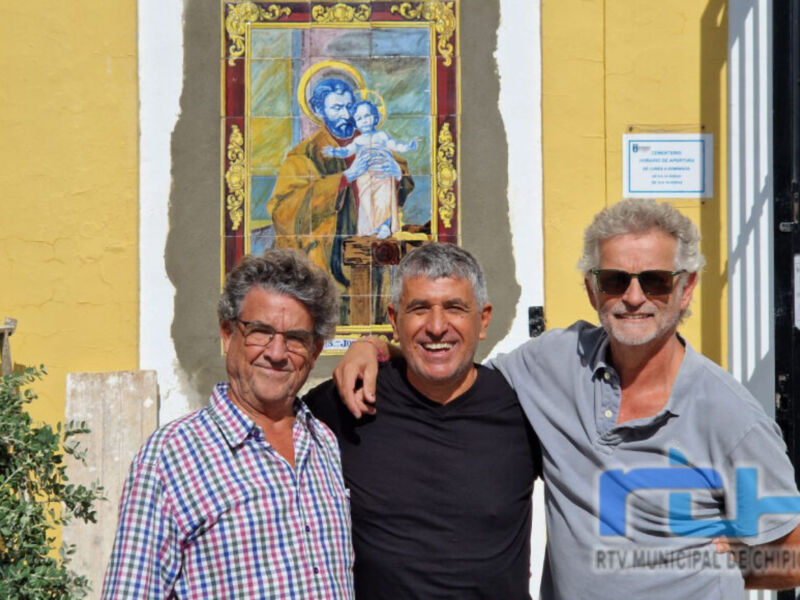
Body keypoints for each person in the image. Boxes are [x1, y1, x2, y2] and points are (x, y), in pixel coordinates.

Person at [336, 199, 800, 598]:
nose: (634, 297)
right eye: (615, 280)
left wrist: (700, 563)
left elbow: (791, 555)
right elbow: (452, 368)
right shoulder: (555, 363)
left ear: (685, 288)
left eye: (655, 280)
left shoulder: (728, 416)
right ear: (592, 288)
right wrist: (375, 347)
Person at [102, 249, 354, 599]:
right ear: (227, 334)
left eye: (295, 338)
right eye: (260, 331)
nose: (277, 353)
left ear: (315, 351)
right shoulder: (169, 458)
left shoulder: (323, 441)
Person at [306, 242, 541, 599]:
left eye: (455, 308)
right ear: (393, 320)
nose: (436, 326)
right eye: (418, 309)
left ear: (484, 320)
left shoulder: (524, 407)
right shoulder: (349, 400)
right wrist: (368, 344)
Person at [267, 78, 414, 294]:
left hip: (374, 247)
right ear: (318, 110)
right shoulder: (305, 154)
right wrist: (344, 178)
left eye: (348, 106)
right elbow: (283, 210)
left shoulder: (370, 139)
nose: (346, 115)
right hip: (328, 257)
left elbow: (404, 180)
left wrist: (396, 173)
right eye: (336, 108)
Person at [323, 100, 418, 239]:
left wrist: (408, 147)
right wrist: (335, 152)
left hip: (383, 175)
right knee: (366, 202)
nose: (364, 121)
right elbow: (346, 151)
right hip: (365, 177)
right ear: (355, 122)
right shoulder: (358, 141)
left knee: (384, 200)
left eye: (367, 116)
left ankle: (385, 226)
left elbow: (396, 145)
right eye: (359, 118)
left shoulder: (382, 136)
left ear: (375, 117)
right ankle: (369, 228)